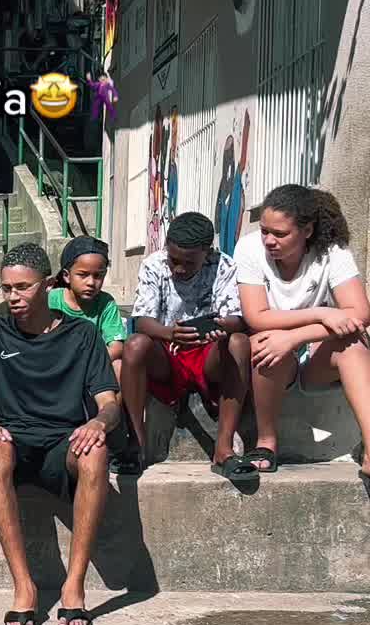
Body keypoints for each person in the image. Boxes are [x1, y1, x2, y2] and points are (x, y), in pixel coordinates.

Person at [0, 242, 120, 625]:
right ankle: (25, 588)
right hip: (15, 442)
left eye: (23, 287)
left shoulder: (83, 334)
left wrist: (98, 423)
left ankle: (74, 587)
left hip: (62, 444)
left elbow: (110, 404)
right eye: (6, 288)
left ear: (48, 284)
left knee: (96, 450)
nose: (12, 296)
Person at [234, 184, 370, 487]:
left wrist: (295, 337)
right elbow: (257, 317)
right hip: (270, 358)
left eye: (280, 234)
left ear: (307, 231)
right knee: (266, 344)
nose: (269, 240)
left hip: (314, 360)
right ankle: (266, 440)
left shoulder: (332, 252)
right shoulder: (249, 248)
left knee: (352, 342)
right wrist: (321, 313)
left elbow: (360, 312)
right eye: (265, 231)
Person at [119, 211, 254, 481]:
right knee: (134, 345)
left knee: (239, 342)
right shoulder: (154, 265)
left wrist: (220, 326)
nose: (179, 269)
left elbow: (238, 319)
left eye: (189, 262)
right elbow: (142, 321)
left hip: (208, 354)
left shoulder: (224, 266)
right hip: (168, 353)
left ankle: (223, 448)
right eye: (174, 260)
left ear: (207, 253)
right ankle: (136, 443)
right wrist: (170, 333)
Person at [49, 237, 125, 388]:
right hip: (57, 367)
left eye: (98, 276)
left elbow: (116, 347)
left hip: (93, 367)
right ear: (66, 276)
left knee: (118, 366)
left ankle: (112, 404)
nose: (91, 282)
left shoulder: (106, 303)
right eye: (83, 275)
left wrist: (86, 364)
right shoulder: (51, 300)